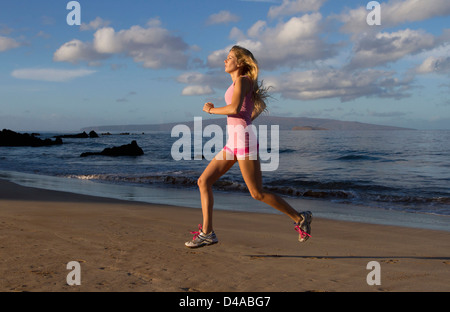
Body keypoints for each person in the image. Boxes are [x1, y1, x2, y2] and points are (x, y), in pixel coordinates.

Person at [185, 46, 312, 248]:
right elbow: (244, 111)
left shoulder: (243, 81)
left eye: (229, 58)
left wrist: (211, 110)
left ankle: (300, 218)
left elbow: (235, 109)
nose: (225, 61)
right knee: (203, 181)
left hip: (243, 141)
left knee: (256, 193)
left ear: (241, 62)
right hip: (233, 141)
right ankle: (207, 233)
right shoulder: (240, 83)